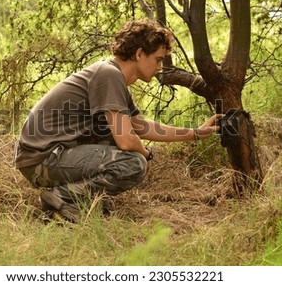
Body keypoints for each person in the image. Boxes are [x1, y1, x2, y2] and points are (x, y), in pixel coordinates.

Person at [15, 19, 219, 222]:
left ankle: (75, 200)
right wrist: (146, 156)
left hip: (49, 156)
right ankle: (63, 197)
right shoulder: (108, 74)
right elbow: (126, 140)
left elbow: (142, 126)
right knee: (133, 162)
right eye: (157, 59)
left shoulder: (112, 76)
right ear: (139, 54)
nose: (159, 67)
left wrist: (195, 133)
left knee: (120, 148)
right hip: (41, 161)